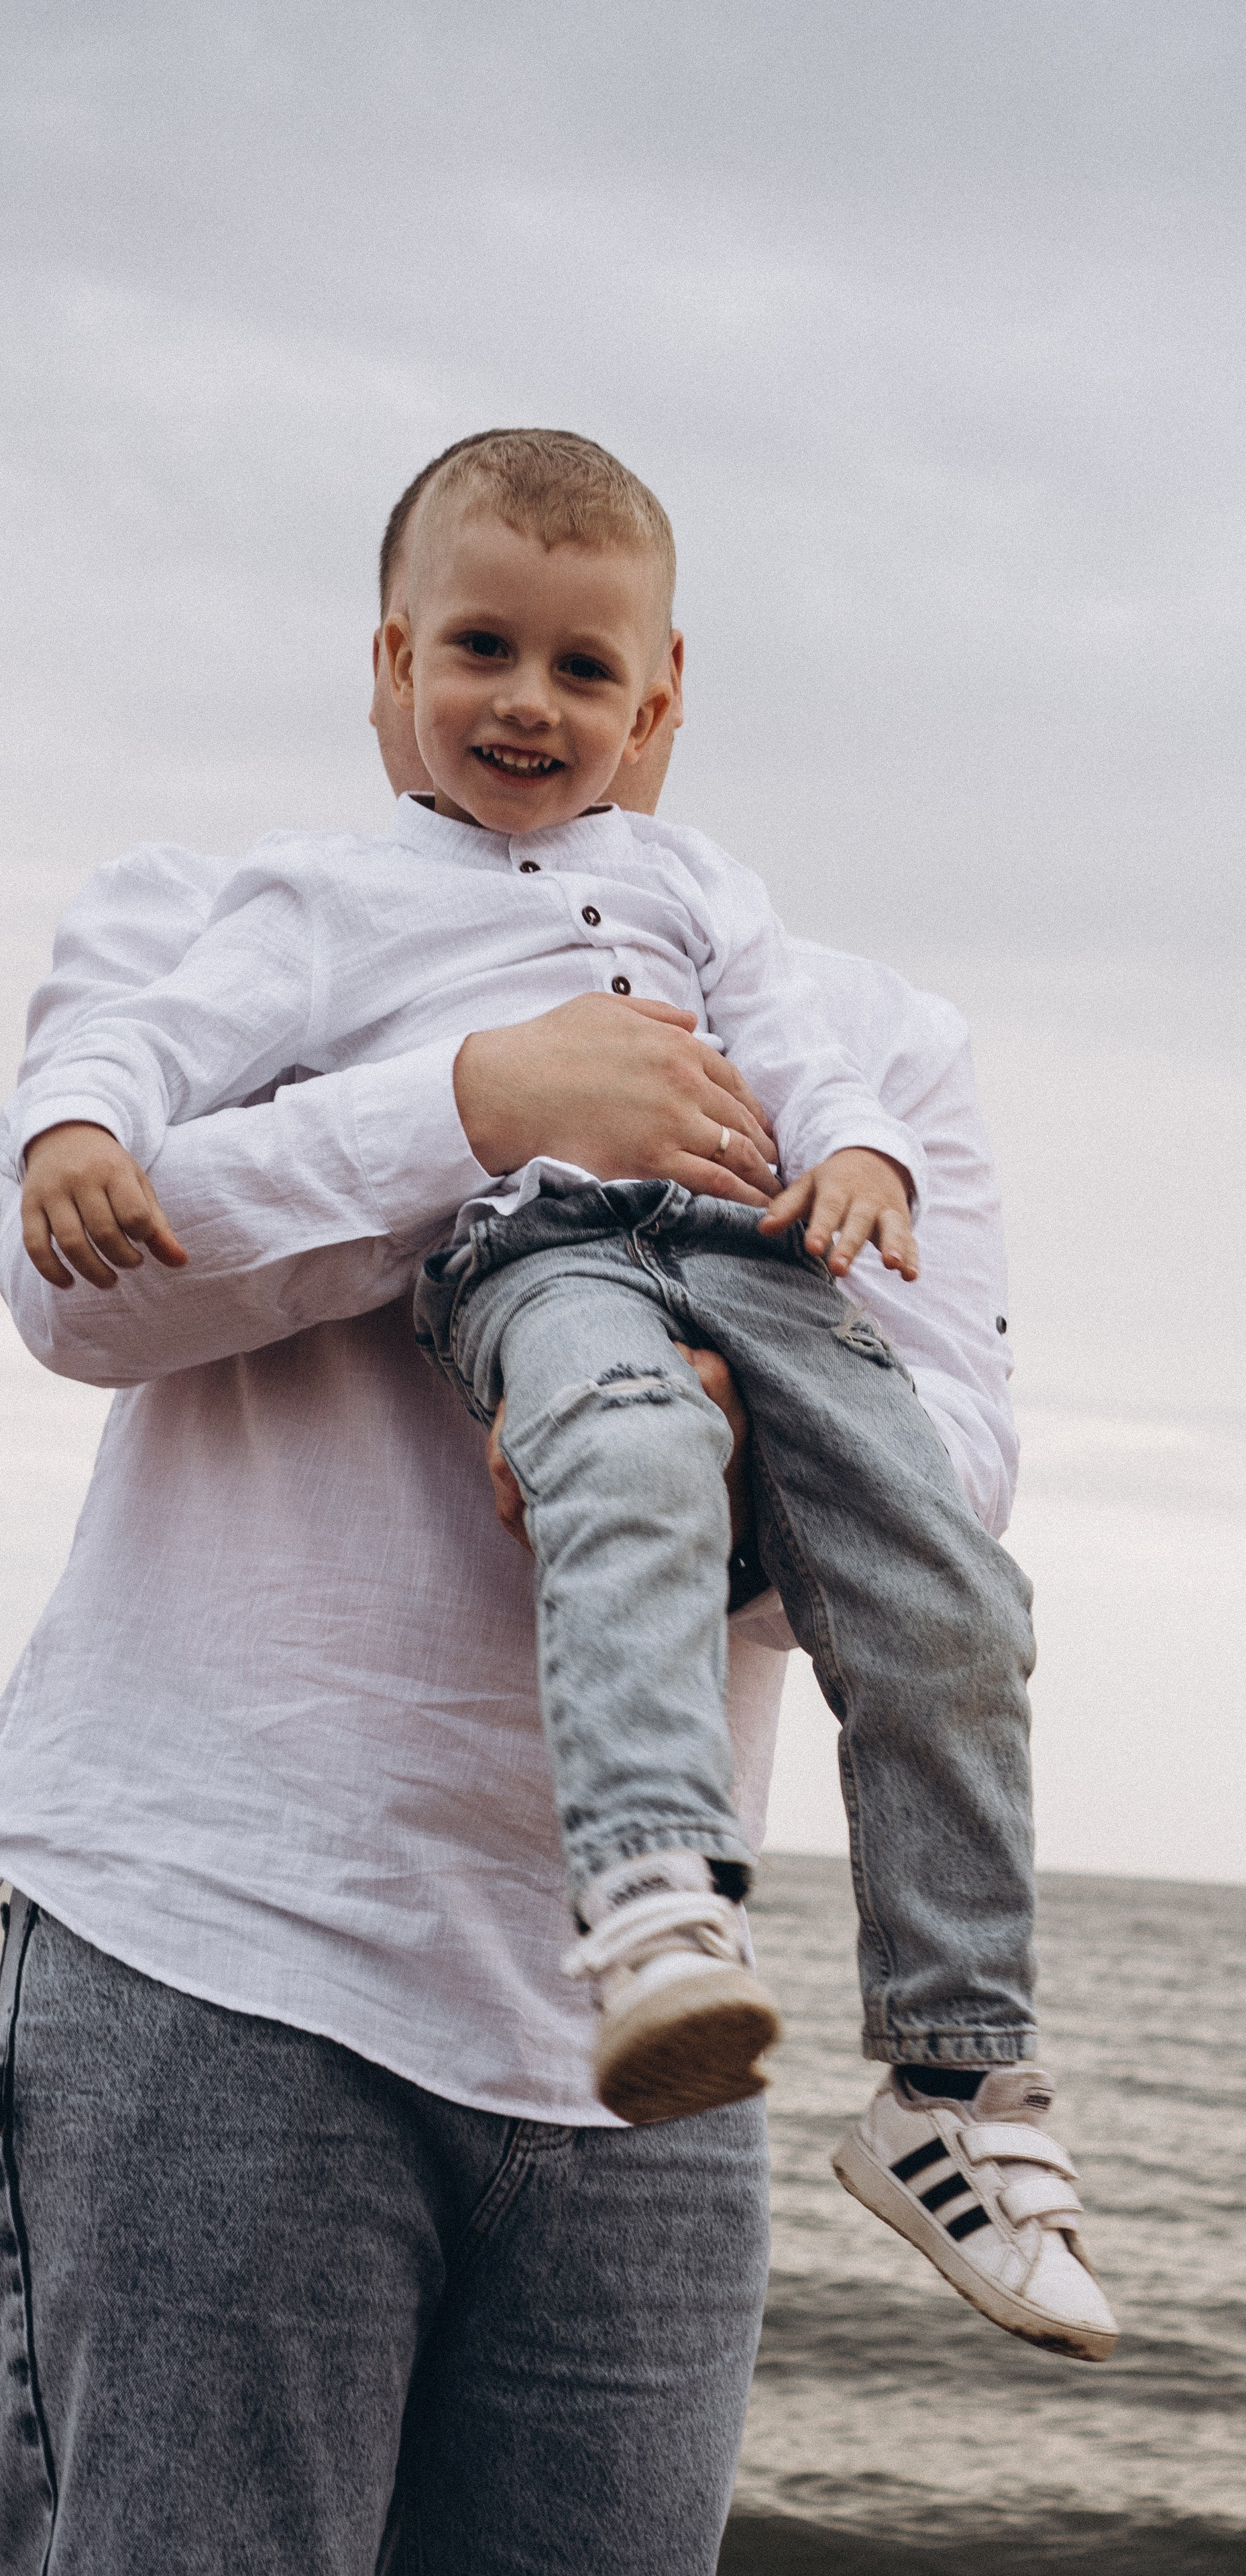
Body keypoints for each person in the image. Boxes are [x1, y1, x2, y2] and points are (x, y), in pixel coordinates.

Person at [11, 431, 1116, 2367]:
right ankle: (650, 1888)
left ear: (661, 694)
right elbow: (72, 1275)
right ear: (390, 668)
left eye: (586, 668)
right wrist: (471, 1108)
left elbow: (960, 1446)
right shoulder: (255, 905)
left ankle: (954, 2082)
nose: (530, 702)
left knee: (950, 1595)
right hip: (219, 1951)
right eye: (480, 651)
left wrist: (750, 1415)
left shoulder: (810, 975)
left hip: (651, 2084)